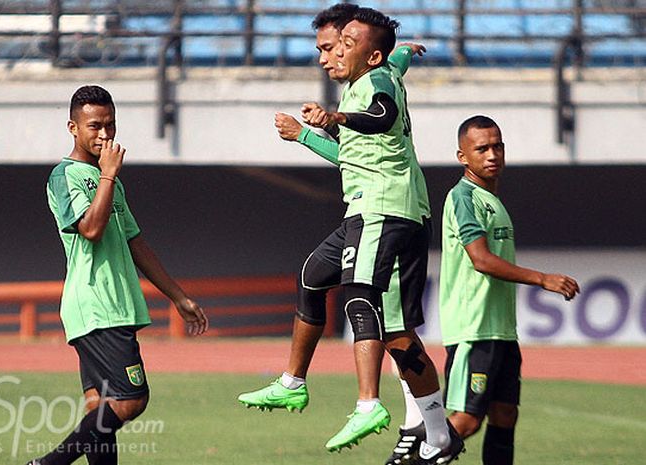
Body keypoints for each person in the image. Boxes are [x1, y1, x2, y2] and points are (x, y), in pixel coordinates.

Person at [240, 7, 463, 463]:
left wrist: (330, 120)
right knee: (321, 282)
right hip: (374, 208)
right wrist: (406, 53)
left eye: (341, 43)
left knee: (360, 298)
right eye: (330, 44)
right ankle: (296, 384)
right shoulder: (378, 72)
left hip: (386, 209)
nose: (332, 53)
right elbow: (356, 147)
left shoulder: (370, 88)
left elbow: (381, 116)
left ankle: (368, 404)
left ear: (367, 51)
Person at [28, 85, 208, 465]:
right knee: (131, 399)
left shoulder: (113, 184)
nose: (105, 134)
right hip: (96, 303)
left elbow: (136, 243)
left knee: (101, 406)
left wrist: (178, 296)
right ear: (73, 128)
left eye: (110, 125)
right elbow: (90, 230)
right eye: (95, 126)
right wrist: (107, 177)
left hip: (116, 304)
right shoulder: (66, 176)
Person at [439, 115, 580, 465]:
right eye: (482, 148)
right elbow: (481, 260)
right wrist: (542, 279)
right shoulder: (463, 197)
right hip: (474, 329)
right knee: (466, 420)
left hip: (501, 330)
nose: (492, 154)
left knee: (504, 415)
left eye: (497, 146)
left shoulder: (493, 200)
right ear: (462, 157)